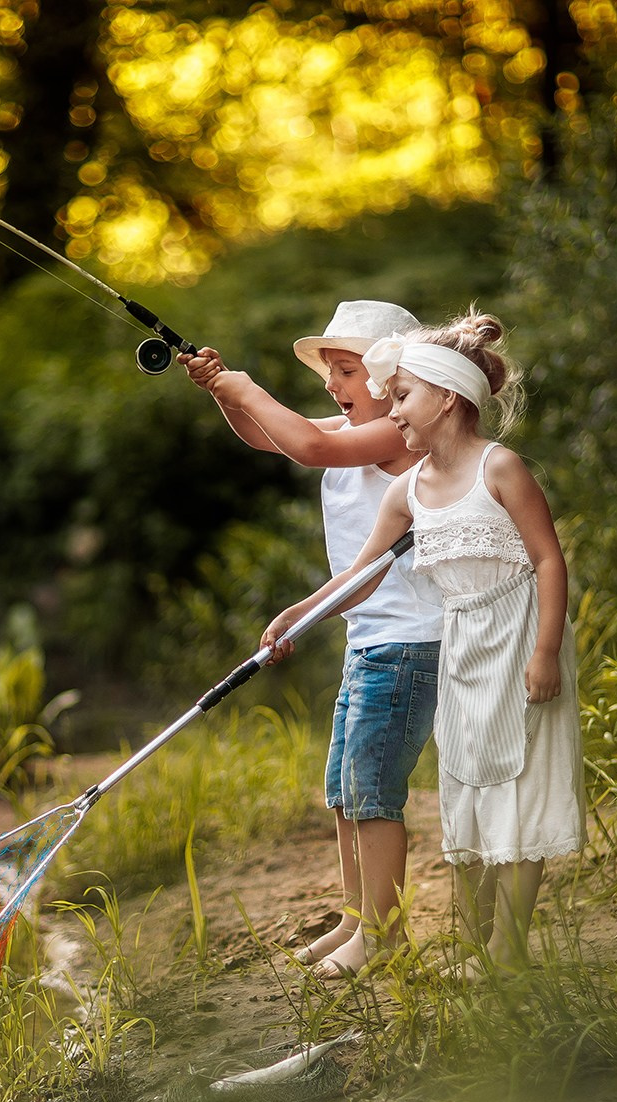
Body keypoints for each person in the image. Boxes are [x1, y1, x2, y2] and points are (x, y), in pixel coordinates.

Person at [260, 311, 584, 975]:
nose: (393, 413)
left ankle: (506, 947)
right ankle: (473, 944)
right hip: (461, 645)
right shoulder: (407, 490)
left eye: (402, 397)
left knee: (516, 789)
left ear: (446, 398)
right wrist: (298, 614)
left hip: (518, 640)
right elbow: (359, 575)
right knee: (465, 789)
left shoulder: (502, 469)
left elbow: (549, 561)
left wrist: (546, 651)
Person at [182, 301, 441, 980]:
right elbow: (273, 437)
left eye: (347, 369)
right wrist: (224, 392)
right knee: (345, 790)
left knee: (373, 792)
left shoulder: (395, 436)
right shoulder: (356, 424)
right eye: (330, 370)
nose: (332, 383)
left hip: (409, 641)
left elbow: (311, 447)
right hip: (370, 637)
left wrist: (244, 385)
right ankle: (358, 920)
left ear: (393, 379)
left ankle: (383, 934)